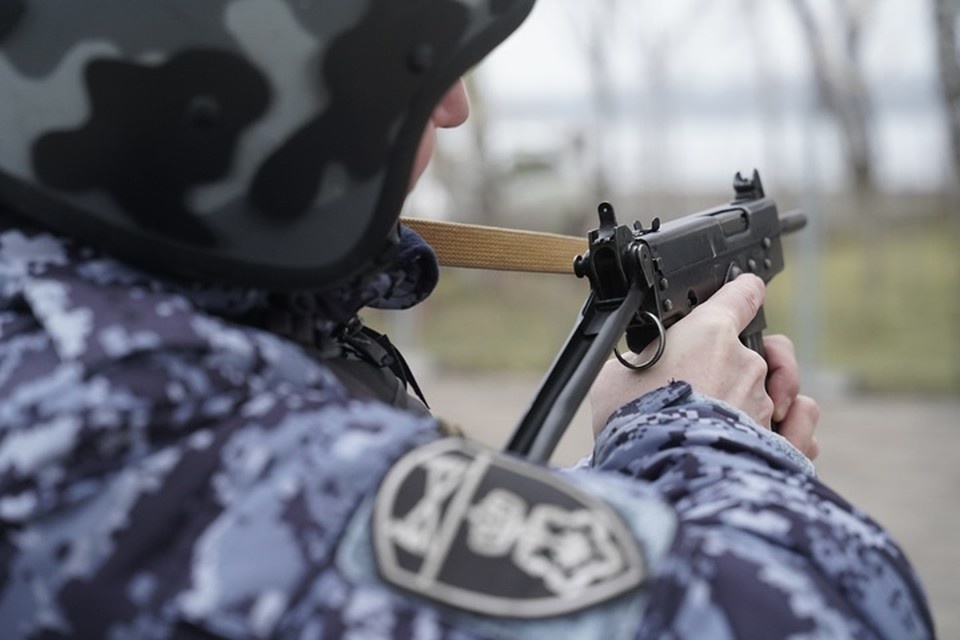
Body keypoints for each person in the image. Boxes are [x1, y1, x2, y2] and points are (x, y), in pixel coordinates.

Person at [0, 1, 934, 638]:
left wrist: (607, 505)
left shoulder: (101, 343)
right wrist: (698, 439)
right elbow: (829, 610)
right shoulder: (119, 409)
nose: (455, 107)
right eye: (414, 56)